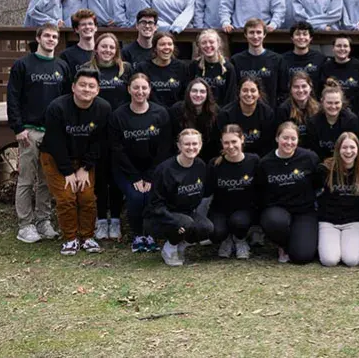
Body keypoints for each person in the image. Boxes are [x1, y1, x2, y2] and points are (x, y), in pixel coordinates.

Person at [7, 24, 70, 244]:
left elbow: (66, 101)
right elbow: (13, 97)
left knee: (46, 180)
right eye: (47, 36)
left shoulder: (61, 66)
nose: (51, 39)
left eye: (54, 36)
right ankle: (25, 224)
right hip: (29, 131)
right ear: (38, 38)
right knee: (26, 179)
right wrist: (18, 127)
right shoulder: (23, 65)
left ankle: (44, 220)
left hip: (52, 133)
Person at [40, 68, 112, 255]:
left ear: (97, 90)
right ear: (73, 87)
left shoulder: (103, 108)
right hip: (56, 157)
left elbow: (100, 142)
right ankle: (70, 238)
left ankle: (87, 237)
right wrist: (67, 171)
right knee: (66, 197)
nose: (86, 89)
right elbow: (55, 142)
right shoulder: (57, 108)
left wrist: (86, 168)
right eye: (82, 85)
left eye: (91, 86)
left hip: (84, 159)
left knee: (87, 196)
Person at [109, 73, 172, 252]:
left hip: (153, 170)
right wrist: (135, 176)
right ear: (129, 89)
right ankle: (138, 235)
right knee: (137, 196)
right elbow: (117, 149)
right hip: (126, 169)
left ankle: (150, 234)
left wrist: (150, 176)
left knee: (151, 195)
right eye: (136, 87)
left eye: (144, 87)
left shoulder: (160, 113)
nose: (140, 91)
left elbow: (164, 148)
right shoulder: (118, 115)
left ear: (149, 90)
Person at [144, 129, 214, 266]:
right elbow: (155, 204)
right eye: (187, 144)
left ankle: (180, 246)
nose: (191, 147)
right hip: (160, 215)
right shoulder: (165, 170)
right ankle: (169, 248)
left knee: (207, 228)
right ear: (179, 146)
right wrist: (174, 220)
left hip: (186, 213)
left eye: (195, 144)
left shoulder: (200, 165)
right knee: (185, 223)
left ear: (200, 145)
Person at [256, 122, 321, 264]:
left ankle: (298, 241)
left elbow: (318, 183)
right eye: (285, 138)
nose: (289, 142)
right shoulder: (265, 163)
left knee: (302, 257)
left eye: (293, 139)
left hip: (304, 211)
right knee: (274, 221)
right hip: (277, 209)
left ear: (298, 140)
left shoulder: (309, 158)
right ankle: (283, 245)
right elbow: (261, 190)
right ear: (277, 138)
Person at [86, 33, 131, 239]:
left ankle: (116, 219)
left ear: (117, 50)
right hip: (96, 130)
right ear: (96, 49)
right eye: (103, 47)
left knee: (116, 176)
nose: (107, 51)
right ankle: (101, 219)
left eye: (111, 47)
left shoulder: (126, 69)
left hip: (120, 129)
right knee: (100, 177)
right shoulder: (88, 70)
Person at [315, 132, 359, 267]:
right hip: (328, 221)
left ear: (358, 150)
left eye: (352, 147)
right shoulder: (325, 169)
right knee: (329, 260)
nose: (348, 151)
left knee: (351, 260)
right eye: (344, 147)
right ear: (338, 149)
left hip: (353, 221)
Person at [206, 124, 259, 260]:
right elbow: (207, 191)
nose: (230, 146)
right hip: (220, 210)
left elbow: (262, 188)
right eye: (226, 142)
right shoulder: (215, 164)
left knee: (239, 223)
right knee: (216, 232)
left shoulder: (254, 161)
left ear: (242, 139)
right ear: (222, 143)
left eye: (234, 141)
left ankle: (240, 239)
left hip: (245, 210)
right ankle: (226, 239)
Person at [217, 76, 277, 157]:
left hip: (260, 158)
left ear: (259, 93)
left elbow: (268, 145)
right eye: (245, 90)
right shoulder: (226, 114)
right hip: (233, 156)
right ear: (239, 93)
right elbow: (222, 144)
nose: (249, 94)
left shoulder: (267, 113)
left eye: (253, 91)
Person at [231, 18, 284, 107]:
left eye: (259, 32)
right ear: (245, 35)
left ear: (264, 34)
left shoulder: (277, 60)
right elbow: (234, 91)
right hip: (244, 112)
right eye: (251, 32)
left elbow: (283, 90)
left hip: (271, 113)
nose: (255, 36)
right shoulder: (236, 60)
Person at [305, 81, 359, 161]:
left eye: (337, 103)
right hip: (321, 163)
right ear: (322, 102)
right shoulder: (313, 122)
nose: (333, 106)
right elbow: (313, 150)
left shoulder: (351, 120)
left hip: (345, 161)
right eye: (329, 103)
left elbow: (355, 147)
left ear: (342, 102)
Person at [169, 78, 220, 162]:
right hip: (181, 157)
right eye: (194, 91)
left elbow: (216, 141)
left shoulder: (215, 111)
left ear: (208, 94)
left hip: (207, 158)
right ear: (188, 92)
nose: (198, 95)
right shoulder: (176, 110)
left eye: (202, 92)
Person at [134, 31, 188, 108]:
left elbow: (186, 95)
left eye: (170, 44)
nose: (167, 47)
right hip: (151, 113)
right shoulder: (142, 67)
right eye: (162, 44)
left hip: (176, 113)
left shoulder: (182, 67)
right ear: (155, 48)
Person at [317, 35, 359, 109]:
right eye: (338, 46)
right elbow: (320, 92)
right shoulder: (326, 67)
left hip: (355, 112)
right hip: (332, 110)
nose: (342, 48)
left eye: (345, 46)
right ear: (333, 48)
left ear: (350, 49)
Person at [188, 29, 237, 104]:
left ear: (218, 43)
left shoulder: (228, 67)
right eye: (204, 43)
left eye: (211, 42)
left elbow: (231, 97)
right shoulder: (194, 66)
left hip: (222, 112)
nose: (208, 45)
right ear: (199, 45)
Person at [275, 72, 320, 144]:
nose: (300, 90)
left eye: (304, 86)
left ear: (310, 87)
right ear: (290, 89)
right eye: (296, 87)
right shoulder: (283, 110)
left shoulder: (318, 108)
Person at [60, 9, 98, 80]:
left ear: (95, 28)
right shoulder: (66, 55)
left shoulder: (103, 52)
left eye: (90, 24)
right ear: (76, 29)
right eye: (83, 24)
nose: (87, 27)